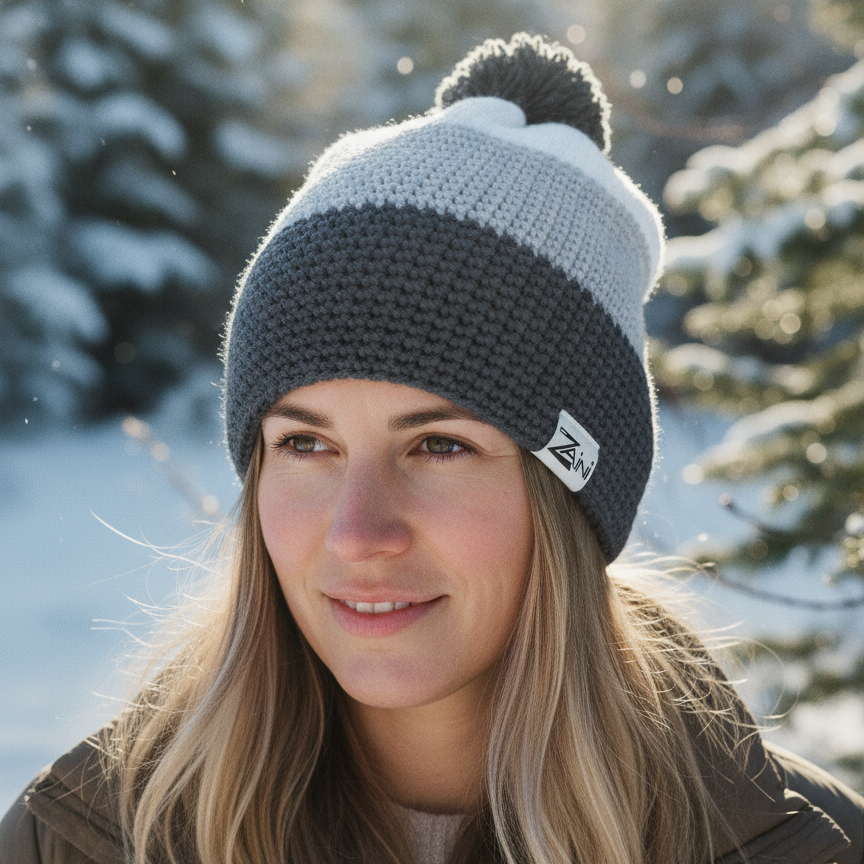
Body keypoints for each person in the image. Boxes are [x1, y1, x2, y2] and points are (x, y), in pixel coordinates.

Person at [1, 33, 862, 864]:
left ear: (570, 489)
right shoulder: (85, 839)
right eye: (305, 442)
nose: (356, 533)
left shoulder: (788, 848)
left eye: (440, 445)